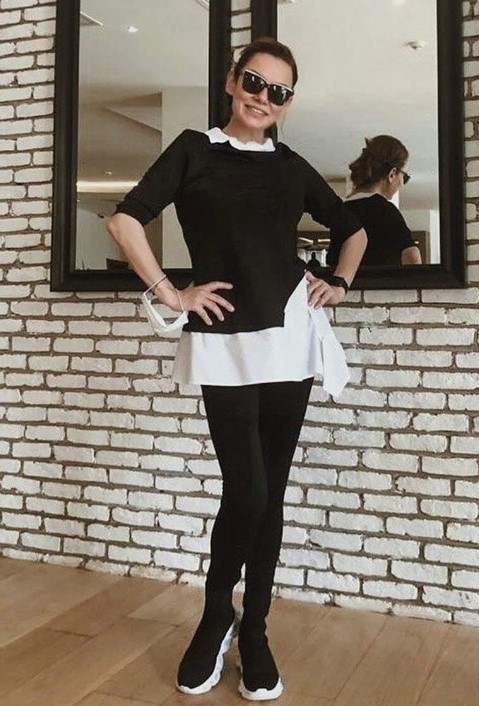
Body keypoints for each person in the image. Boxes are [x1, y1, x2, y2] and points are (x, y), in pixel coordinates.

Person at [107, 38, 367, 702]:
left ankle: (255, 629)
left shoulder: (291, 165)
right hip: (223, 339)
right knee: (245, 490)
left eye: (278, 91)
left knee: (269, 492)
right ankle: (215, 614)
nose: (263, 97)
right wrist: (172, 293)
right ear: (231, 82)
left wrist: (339, 280)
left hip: (290, 334)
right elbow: (126, 220)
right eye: (254, 82)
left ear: (288, 103)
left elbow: (353, 228)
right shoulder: (194, 149)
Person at [328, 135, 422, 267]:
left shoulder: (342, 210)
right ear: (392, 174)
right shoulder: (386, 210)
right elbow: (412, 255)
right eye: (404, 177)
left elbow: (333, 260)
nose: (402, 184)